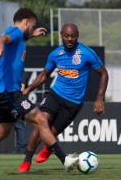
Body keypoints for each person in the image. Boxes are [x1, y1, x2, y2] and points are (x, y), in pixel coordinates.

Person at [0, 8, 79, 176]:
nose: (33, 27)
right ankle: (65, 160)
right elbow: (4, 39)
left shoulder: (18, 35)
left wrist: (31, 35)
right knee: (40, 120)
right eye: (33, 25)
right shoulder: (14, 32)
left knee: (2, 131)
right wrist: (0, 44)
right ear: (26, 21)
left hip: (0, 92)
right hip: (8, 92)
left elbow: (16, 39)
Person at [17, 23, 109, 172]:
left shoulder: (86, 53)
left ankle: (48, 148)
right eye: (66, 36)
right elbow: (44, 76)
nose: (69, 39)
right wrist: (28, 89)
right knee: (41, 123)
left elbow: (104, 73)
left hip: (73, 102)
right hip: (55, 95)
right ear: (61, 35)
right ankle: (26, 161)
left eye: (73, 36)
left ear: (77, 35)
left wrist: (100, 98)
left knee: (51, 133)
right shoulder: (55, 54)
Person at [14, 72, 29, 154]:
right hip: (18, 102)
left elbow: (22, 89)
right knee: (18, 126)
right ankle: (20, 147)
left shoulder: (22, 73)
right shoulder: (19, 73)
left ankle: (22, 148)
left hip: (19, 102)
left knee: (19, 125)